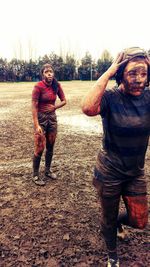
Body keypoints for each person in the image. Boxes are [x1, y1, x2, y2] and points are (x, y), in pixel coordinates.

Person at [81, 47, 150, 267]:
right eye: (132, 73)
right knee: (108, 218)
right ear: (121, 74)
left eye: (144, 73)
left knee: (139, 220)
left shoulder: (148, 97)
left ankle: (118, 223)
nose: (139, 79)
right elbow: (87, 107)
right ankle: (112, 255)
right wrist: (109, 71)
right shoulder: (111, 97)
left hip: (134, 171)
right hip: (109, 171)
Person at [32, 63, 66, 186]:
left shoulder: (56, 86)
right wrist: (36, 125)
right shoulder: (38, 87)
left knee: (50, 145)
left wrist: (54, 107)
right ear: (43, 74)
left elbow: (64, 101)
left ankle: (47, 170)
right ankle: (35, 175)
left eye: (51, 71)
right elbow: (34, 107)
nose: (49, 73)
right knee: (40, 147)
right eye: (46, 72)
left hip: (52, 118)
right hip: (41, 118)